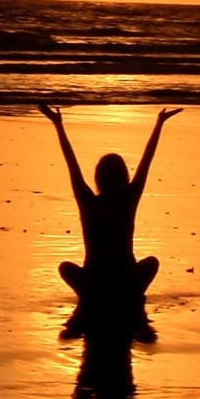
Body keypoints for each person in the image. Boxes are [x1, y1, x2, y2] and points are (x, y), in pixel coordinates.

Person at [39, 103, 181, 308]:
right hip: (118, 281)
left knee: (151, 262)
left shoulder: (104, 200)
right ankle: (121, 295)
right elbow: (72, 164)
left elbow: (146, 161)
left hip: (102, 282)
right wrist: (58, 126)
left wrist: (159, 124)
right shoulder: (114, 200)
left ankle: (100, 295)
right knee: (149, 263)